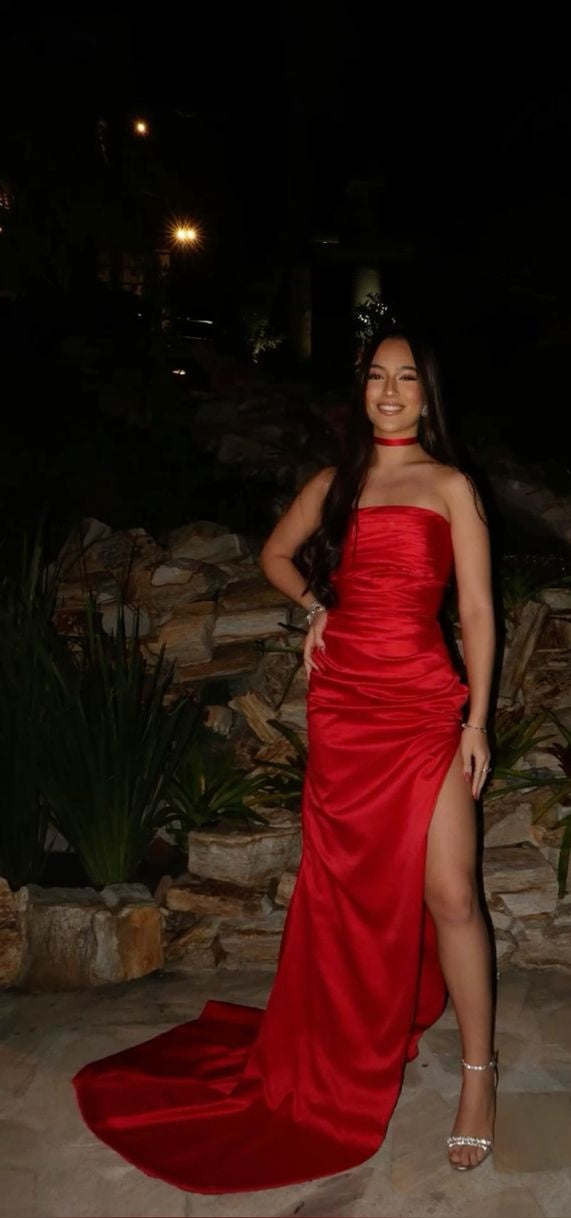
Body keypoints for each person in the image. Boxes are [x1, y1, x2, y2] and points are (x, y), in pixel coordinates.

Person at [72, 328, 498, 1192]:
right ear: (361, 390)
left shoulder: (452, 487)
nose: (389, 391)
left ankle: (480, 1078)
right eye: (376, 377)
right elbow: (274, 555)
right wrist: (318, 609)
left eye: (406, 379)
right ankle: (351, 1033)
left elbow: (481, 612)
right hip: (345, 709)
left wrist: (478, 722)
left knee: (452, 891)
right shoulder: (334, 485)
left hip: (424, 706)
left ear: (427, 396)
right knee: (347, 889)